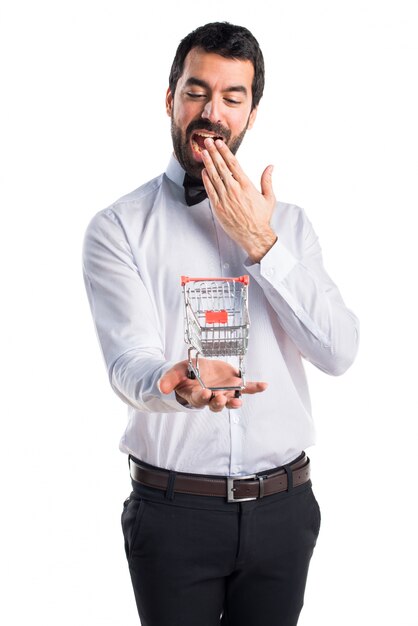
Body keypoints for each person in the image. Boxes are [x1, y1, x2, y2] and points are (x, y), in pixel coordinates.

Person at [82, 21, 359, 626]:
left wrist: (262, 244)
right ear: (170, 99)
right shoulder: (119, 228)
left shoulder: (292, 226)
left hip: (285, 511)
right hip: (174, 511)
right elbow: (126, 362)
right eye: (197, 91)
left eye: (233, 98)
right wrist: (173, 379)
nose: (212, 111)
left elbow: (339, 352)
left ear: (251, 113)